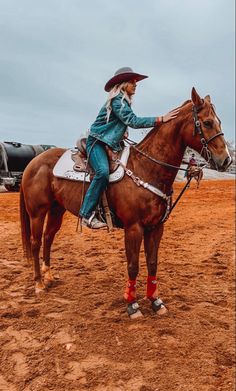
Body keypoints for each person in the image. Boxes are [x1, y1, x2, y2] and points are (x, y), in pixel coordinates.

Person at [79, 67, 179, 229]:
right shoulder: (117, 100)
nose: (136, 84)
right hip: (97, 142)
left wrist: (121, 132)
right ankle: (86, 213)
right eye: (132, 81)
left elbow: (121, 123)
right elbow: (133, 121)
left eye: (136, 82)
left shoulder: (123, 102)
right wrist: (161, 119)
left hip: (112, 143)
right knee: (103, 172)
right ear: (123, 84)